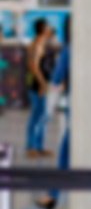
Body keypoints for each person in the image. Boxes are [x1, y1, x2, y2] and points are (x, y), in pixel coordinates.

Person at [36, 18, 70, 209]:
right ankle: (52, 194)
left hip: (76, 111)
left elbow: (57, 79)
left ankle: (52, 195)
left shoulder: (69, 49)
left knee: (65, 154)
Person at [24, 18, 54, 159]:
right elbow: (34, 67)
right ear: (43, 29)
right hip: (37, 86)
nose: (50, 28)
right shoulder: (37, 44)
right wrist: (42, 84)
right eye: (48, 26)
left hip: (42, 85)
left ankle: (39, 146)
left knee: (42, 116)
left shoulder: (42, 43)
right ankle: (31, 147)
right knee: (36, 116)